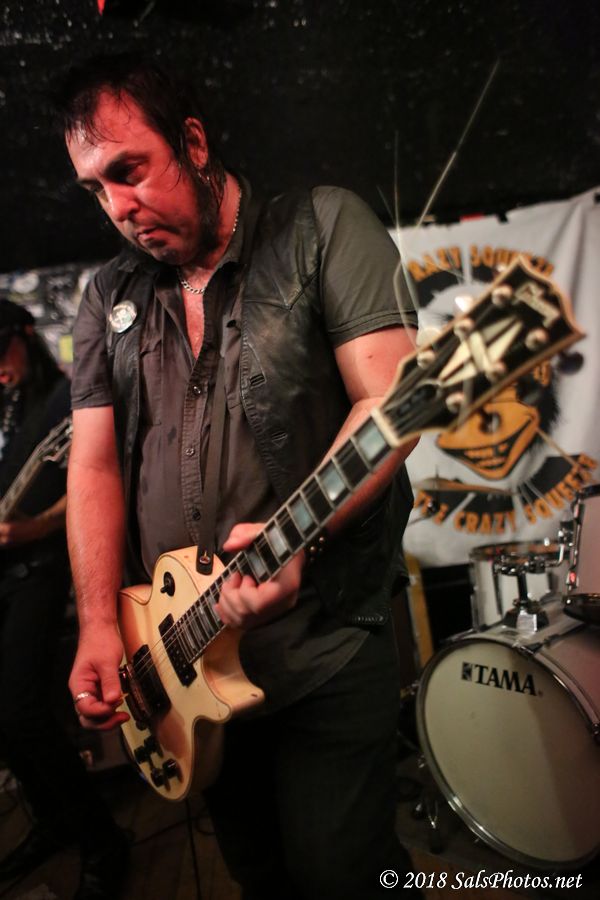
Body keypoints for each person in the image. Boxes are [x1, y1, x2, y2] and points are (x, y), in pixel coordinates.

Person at [58, 53, 421, 900]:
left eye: (129, 171)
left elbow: (390, 403)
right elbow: (93, 463)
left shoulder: (321, 227)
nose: (118, 208)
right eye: (95, 189)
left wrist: (306, 534)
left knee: (341, 876)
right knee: (258, 874)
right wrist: (100, 624)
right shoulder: (107, 295)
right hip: (182, 658)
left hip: (323, 644)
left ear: (193, 142)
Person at [0, 299, 129, 900]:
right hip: (8, 570)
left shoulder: (62, 400)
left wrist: (34, 528)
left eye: (2, 350)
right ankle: (53, 822)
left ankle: (103, 841)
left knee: (23, 708)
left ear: (26, 334)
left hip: (46, 565)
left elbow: (93, 479)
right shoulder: (9, 404)